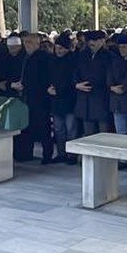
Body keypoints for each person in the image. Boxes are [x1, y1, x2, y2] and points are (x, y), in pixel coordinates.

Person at [13, 32, 53, 164]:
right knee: (27, 127)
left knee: (43, 128)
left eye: (29, 42)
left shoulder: (44, 57)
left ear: (37, 44)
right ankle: (26, 153)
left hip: (40, 99)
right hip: (27, 97)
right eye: (25, 42)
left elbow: (45, 78)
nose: (26, 45)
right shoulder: (26, 57)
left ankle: (47, 155)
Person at [46, 33, 79, 164]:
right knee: (59, 129)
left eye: (61, 48)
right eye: (57, 48)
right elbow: (48, 77)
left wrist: (59, 90)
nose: (58, 51)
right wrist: (48, 88)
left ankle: (72, 155)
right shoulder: (52, 61)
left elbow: (72, 81)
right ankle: (61, 153)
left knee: (71, 129)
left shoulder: (73, 61)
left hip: (69, 100)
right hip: (56, 101)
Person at [74, 30, 113, 137]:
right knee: (88, 133)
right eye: (89, 40)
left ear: (102, 41)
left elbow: (109, 76)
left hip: (101, 98)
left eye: (95, 40)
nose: (92, 43)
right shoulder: (82, 55)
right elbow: (75, 72)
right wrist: (77, 84)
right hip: (85, 99)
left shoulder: (109, 56)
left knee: (103, 133)